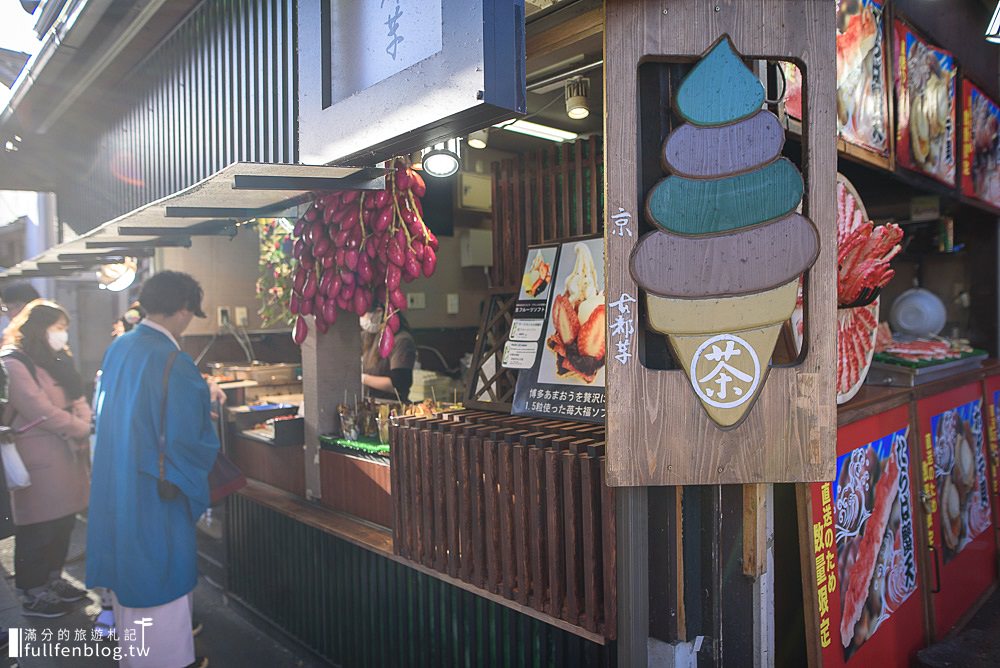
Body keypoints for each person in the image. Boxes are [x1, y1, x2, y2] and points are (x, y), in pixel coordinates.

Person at [86, 272, 219, 668]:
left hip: (118, 486)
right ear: (183, 310)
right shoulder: (173, 360)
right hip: (155, 495)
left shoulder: (120, 346)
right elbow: (190, 442)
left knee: (131, 594)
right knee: (160, 589)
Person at [1, 300, 92, 618]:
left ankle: (53, 580)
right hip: (37, 456)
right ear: (39, 329)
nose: (63, 335)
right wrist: (80, 427)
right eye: (58, 328)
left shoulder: (57, 360)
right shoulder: (13, 362)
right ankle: (31, 590)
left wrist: (83, 420)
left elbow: (77, 395)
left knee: (63, 522)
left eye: (64, 329)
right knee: (38, 525)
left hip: (68, 455)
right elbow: (37, 408)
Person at [360, 305, 417, 403]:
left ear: (379, 312)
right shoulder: (368, 335)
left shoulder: (401, 340)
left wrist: (363, 378)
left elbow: (399, 384)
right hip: (370, 403)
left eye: (364, 313)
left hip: (392, 406)